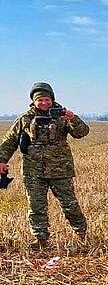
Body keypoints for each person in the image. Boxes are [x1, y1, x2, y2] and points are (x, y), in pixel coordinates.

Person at [0, 82, 90, 250]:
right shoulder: (25, 118)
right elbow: (9, 141)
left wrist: (72, 117)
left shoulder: (62, 115)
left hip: (60, 170)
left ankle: (82, 235)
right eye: (40, 100)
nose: (44, 103)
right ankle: (40, 240)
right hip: (33, 171)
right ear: (34, 101)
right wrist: (2, 160)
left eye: (47, 99)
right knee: (36, 206)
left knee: (70, 205)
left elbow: (82, 132)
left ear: (52, 99)